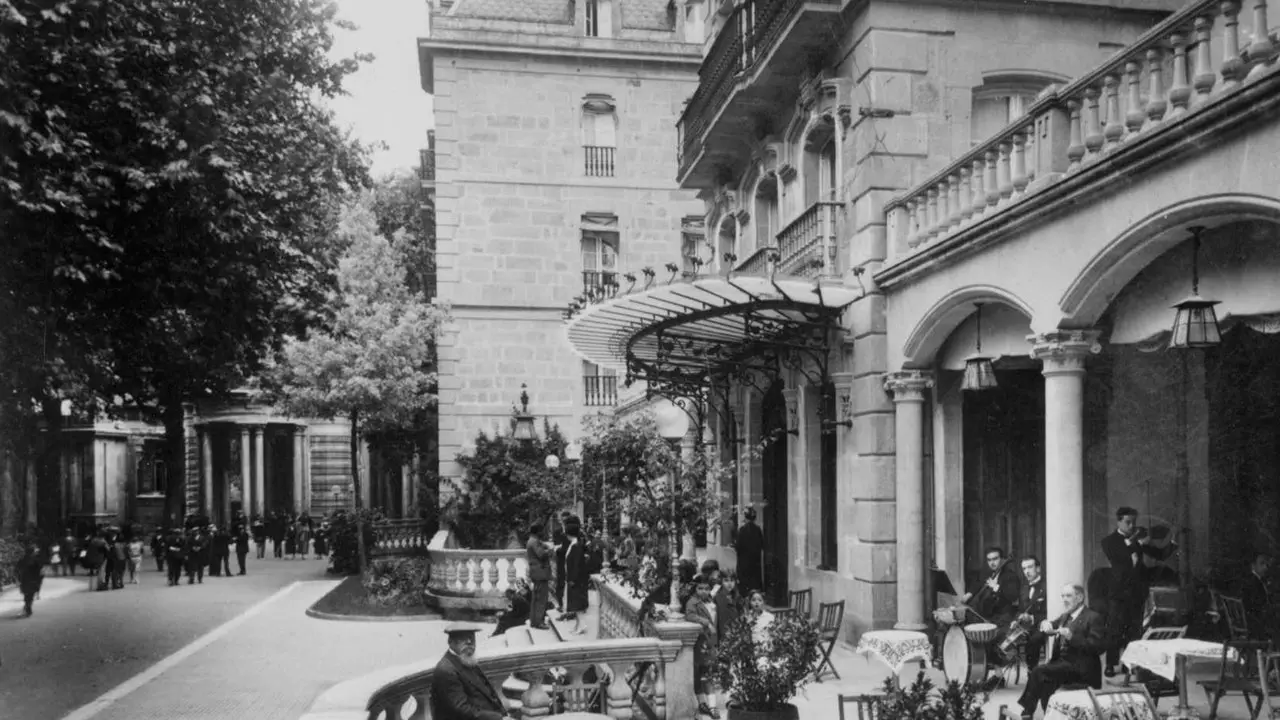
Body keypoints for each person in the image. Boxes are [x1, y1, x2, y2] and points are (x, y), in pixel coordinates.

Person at [1101, 506, 1175, 676]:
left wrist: (1173, 539)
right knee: (1114, 629)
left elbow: (1160, 554)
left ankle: (1129, 664)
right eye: (1128, 522)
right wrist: (1137, 543)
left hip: (1137, 591)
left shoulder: (1138, 540)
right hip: (1118, 593)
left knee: (1134, 629)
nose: (1132, 526)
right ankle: (1110, 665)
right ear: (1118, 521)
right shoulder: (1109, 541)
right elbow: (1120, 558)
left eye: (1134, 522)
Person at [1016, 584, 1107, 720]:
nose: (1064, 599)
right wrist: (1045, 624)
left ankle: (1027, 711)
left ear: (1080, 597)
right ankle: (1050, 714)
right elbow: (1053, 624)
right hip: (1063, 665)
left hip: (1082, 669)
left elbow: (1097, 648)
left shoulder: (1093, 617)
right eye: (1062, 596)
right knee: (1045, 682)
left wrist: (1072, 637)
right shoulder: (1066, 616)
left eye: (1068, 596)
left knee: (1038, 672)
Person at [430, 623, 513, 720]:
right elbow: (462, 710)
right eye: (463, 638)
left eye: (472, 638)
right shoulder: (446, 670)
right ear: (450, 642)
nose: (469, 642)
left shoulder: (468, 659)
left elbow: (489, 694)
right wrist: (499, 718)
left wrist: (503, 715)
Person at [685, 575, 720, 719]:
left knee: (707, 674)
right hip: (700, 642)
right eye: (700, 588)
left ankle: (710, 704)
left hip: (710, 641)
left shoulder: (711, 601)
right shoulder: (693, 602)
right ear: (695, 589)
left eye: (706, 589)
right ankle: (706, 704)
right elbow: (690, 616)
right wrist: (705, 622)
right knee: (702, 674)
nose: (703, 591)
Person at [961, 546, 1020, 627]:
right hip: (987, 616)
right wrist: (969, 593)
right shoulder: (988, 573)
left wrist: (996, 587)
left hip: (1002, 617)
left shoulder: (1010, 576)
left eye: (995, 559)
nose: (992, 563)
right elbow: (978, 583)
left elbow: (1012, 597)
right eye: (989, 560)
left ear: (1002, 559)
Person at [1015, 555, 1049, 670]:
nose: (1027, 571)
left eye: (1030, 567)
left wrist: (1032, 618)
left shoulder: (1047, 586)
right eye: (1024, 568)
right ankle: (1000, 673)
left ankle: (1032, 671)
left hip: (1041, 625)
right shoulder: (1024, 588)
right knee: (1005, 637)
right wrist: (1017, 619)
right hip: (1025, 626)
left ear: (1038, 569)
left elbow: (1051, 612)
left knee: (1034, 639)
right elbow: (1020, 609)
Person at [1239, 550, 1272, 641]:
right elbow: (1256, 606)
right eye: (1262, 564)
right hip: (1254, 624)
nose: (1265, 567)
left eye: (1266, 564)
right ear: (1253, 566)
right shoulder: (1253, 583)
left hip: (1253, 621)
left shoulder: (1256, 581)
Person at [525, 523, 553, 630]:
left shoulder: (531, 540)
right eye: (541, 531)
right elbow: (542, 555)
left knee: (536, 598)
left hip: (536, 573)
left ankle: (534, 620)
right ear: (538, 532)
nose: (543, 532)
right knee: (541, 599)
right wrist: (551, 550)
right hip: (540, 572)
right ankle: (539, 622)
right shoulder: (535, 541)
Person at [564, 525, 590, 636]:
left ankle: (582, 625)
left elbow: (576, 565)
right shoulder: (574, 545)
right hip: (573, 578)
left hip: (577, 580)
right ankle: (577, 625)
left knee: (578, 604)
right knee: (575, 604)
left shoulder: (576, 546)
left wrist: (573, 579)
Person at [733, 508, 764, 594]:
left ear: (746, 517)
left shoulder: (742, 530)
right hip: (755, 562)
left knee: (744, 586)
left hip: (744, 562)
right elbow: (762, 545)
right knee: (754, 583)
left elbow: (738, 546)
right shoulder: (758, 529)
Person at [15, 541, 45, 618]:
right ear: (32, 552)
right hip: (33, 580)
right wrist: (40, 579)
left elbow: (17, 570)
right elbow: (41, 571)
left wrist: (18, 579)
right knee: (30, 596)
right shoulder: (36, 560)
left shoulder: (22, 560)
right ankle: (28, 608)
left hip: (24, 580)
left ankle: (27, 608)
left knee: (27, 595)